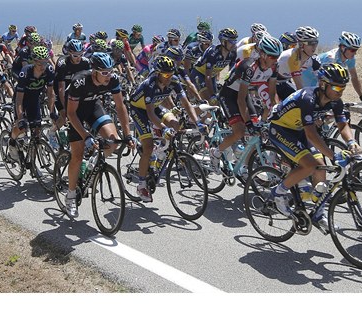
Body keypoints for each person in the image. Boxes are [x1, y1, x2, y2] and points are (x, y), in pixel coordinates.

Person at [266, 63, 353, 231]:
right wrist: (334, 157)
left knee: (321, 168)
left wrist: (351, 142)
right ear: (323, 84)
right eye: (336, 87)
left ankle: (318, 214)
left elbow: (343, 125)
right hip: (281, 129)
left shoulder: (335, 101)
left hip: (298, 130)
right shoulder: (308, 98)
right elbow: (312, 135)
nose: (340, 91)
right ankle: (278, 193)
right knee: (310, 164)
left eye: (343, 87)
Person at [63, 52, 133, 218]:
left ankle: (93, 162)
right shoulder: (79, 81)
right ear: (94, 71)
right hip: (76, 114)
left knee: (114, 141)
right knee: (77, 156)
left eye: (110, 70)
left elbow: (120, 106)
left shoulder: (113, 79)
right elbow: (71, 113)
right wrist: (86, 136)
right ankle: (71, 195)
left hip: (93, 107)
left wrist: (128, 134)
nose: (108, 75)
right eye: (104, 72)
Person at [209, 35, 282, 177]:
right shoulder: (249, 67)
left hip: (245, 94)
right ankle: (216, 152)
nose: (276, 60)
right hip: (229, 95)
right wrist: (248, 122)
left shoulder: (274, 67)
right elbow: (240, 100)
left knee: (255, 132)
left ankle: (244, 167)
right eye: (273, 57)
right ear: (263, 54)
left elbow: (272, 94)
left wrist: (274, 114)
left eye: (277, 56)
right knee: (240, 131)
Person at [128, 56, 199, 202]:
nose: (169, 78)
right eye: (166, 75)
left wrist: (198, 123)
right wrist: (163, 127)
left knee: (176, 124)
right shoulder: (149, 84)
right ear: (158, 73)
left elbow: (186, 104)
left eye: (171, 74)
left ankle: (159, 153)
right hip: (139, 110)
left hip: (155, 107)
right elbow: (149, 114)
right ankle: (141, 185)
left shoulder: (173, 81)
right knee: (148, 146)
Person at [7, 46, 55, 160]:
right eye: (40, 64)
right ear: (34, 62)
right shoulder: (25, 72)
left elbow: (50, 93)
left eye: (45, 63)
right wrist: (20, 118)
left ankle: (32, 159)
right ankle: (12, 141)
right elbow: (18, 100)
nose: (43, 66)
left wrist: (52, 112)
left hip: (34, 99)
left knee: (37, 128)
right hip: (21, 100)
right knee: (21, 127)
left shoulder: (49, 70)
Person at [302, 32, 362, 105]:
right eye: (352, 50)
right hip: (308, 79)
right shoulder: (331, 58)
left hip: (319, 80)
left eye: (356, 50)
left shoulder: (350, 58)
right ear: (343, 48)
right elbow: (322, 80)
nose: (355, 53)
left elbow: (354, 77)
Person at [51, 39, 91, 149]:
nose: (78, 58)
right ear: (69, 53)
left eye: (80, 55)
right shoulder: (62, 63)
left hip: (76, 90)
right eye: (74, 55)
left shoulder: (85, 62)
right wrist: (66, 109)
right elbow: (60, 88)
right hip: (62, 91)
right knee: (64, 116)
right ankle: (52, 132)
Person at [189, 28, 238, 102]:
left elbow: (231, 72)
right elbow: (207, 76)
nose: (234, 44)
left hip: (212, 76)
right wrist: (212, 95)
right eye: (231, 41)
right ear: (223, 42)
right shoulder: (213, 52)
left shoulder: (233, 53)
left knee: (218, 101)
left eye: (235, 41)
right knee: (209, 101)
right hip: (199, 74)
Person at [275, 26, 320, 100]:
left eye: (316, 43)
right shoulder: (292, 57)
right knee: (274, 107)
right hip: (268, 80)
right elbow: (299, 86)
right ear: (302, 45)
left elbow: (322, 80)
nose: (314, 47)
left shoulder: (313, 60)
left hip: (283, 82)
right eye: (311, 43)